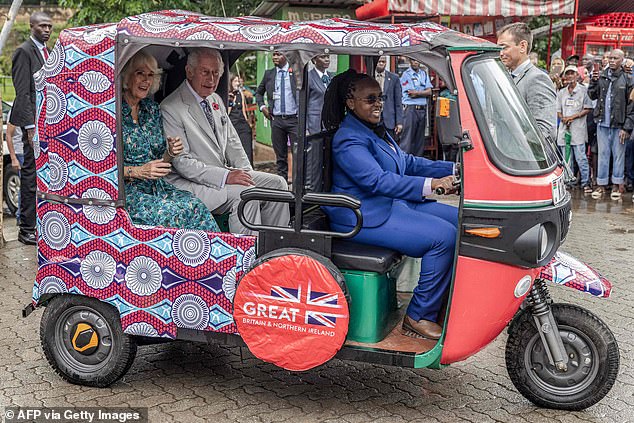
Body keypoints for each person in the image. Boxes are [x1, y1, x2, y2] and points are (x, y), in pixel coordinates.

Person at [321, 70, 458, 341]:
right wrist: (433, 185)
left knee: (459, 219)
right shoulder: (349, 138)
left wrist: (455, 167)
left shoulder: (374, 131)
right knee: (443, 238)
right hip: (363, 215)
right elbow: (376, 181)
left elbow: (407, 162)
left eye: (380, 98)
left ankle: (444, 300)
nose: (378, 104)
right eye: (370, 99)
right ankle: (418, 315)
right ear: (350, 103)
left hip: (391, 204)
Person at [161, 47, 289, 235]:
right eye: (205, 72)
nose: (211, 79)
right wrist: (226, 177)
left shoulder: (215, 99)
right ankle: (247, 256)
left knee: (278, 185)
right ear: (189, 71)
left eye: (216, 73)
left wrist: (246, 172)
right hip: (190, 183)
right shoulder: (171, 107)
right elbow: (183, 163)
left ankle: (275, 245)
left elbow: (232, 142)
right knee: (246, 195)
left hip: (220, 174)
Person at [121, 50, 219, 232]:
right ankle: (174, 259)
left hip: (157, 187)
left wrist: (171, 152)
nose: (146, 80)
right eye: (140, 73)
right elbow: (101, 168)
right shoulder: (113, 112)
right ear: (127, 76)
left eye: (150, 75)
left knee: (195, 206)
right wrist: (138, 171)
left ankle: (212, 258)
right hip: (127, 193)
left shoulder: (151, 110)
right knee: (172, 214)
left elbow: (160, 163)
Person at [10, 11, 52, 245]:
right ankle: (26, 228)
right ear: (31, 26)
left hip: (47, 124)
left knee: (42, 177)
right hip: (33, 126)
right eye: (42, 26)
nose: (47, 30)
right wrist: (30, 127)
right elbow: (23, 93)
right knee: (30, 177)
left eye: (50, 26)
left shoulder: (48, 52)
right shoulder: (23, 51)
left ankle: (39, 224)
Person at [497, 23, 557, 142]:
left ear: (522, 46)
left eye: (504, 47)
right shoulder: (509, 76)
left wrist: (517, 147)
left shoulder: (537, 79)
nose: (501, 53)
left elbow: (545, 130)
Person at [588, 49, 634, 200]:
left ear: (622, 60)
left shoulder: (628, 78)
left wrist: (627, 127)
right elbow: (592, 95)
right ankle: (601, 186)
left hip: (619, 125)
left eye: (615, 58)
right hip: (602, 123)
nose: (612, 60)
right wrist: (593, 81)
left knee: (618, 155)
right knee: (602, 155)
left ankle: (616, 185)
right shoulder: (601, 75)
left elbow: (631, 106)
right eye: (610, 58)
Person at [255, 51, 298, 181]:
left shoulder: (296, 72)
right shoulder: (269, 74)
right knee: (280, 157)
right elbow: (258, 93)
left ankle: (297, 189)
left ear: (286, 55)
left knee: (298, 156)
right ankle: (283, 187)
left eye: (278, 54)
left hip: (294, 120)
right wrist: (262, 107)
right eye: (273, 54)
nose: (275, 57)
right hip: (277, 121)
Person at [556, 66, 593, 194]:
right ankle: (568, 182)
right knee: (567, 158)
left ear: (577, 75)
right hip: (564, 129)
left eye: (573, 74)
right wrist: (564, 118)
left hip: (578, 129)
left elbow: (588, 108)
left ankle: (585, 182)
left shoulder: (583, 91)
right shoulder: (561, 92)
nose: (570, 76)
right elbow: (558, 110)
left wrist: (572, 117)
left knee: (581, 157)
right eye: (568, 74)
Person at [400, 58, 432, 156]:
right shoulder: (406, 74)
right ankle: (404, 163)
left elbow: (430, 92)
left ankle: (417, 164)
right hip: (410, 109)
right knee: (407, 139)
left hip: (422, 109)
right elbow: (411, 93)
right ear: (410, 62)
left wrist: (418, 92)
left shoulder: (423, 74)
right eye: (413, 61)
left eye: (417, 61)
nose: (415, 62)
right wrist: (423, 92)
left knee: (420, 140)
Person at [374, 56, 403, 140]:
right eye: (379, 61)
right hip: (373, 118)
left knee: (390, 144)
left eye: (383, 62)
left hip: (389, 119)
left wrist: (399, 122)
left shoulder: (394, 78)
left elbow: (398, 101)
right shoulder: (369, 77)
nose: (381, 64)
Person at [228, 74, 254, 165]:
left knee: (247, 146)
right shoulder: (228, 96)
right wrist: (231, 101)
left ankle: (249, 166)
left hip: (241, 122)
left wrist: (247, 122)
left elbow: (243, 110)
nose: (237, 83)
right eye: (235, 81)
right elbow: (226, 113)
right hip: (232, 123)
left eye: (238, 81)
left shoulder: (240, 94)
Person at [306, 54, 333, 136]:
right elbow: (301, 104)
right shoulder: (308, 77)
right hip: (314, 124)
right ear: (314, 60)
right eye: (323, 57)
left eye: (328, 57)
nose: (327, 59)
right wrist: (305, 128)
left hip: (330, 123)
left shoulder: (332, 76)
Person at [5, 107, 24, 219]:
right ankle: (20, 216)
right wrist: (13, 158)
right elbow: (8, 135)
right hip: (20, 152)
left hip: (27, 152)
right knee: (25, 186)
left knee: (27, 186)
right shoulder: (16, 110)